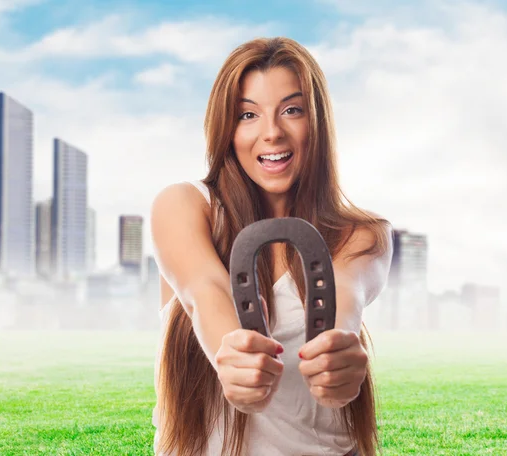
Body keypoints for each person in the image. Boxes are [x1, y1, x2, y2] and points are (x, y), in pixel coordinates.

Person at [150, 36, 393, 456]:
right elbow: (203, 292)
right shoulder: (184, 206)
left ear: (316, 122)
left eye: (292, 110)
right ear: (226, 128)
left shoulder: (363, 234)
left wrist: (338, 360)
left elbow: (344, 302)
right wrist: (232, 353)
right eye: (248, 114)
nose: (272, 133)